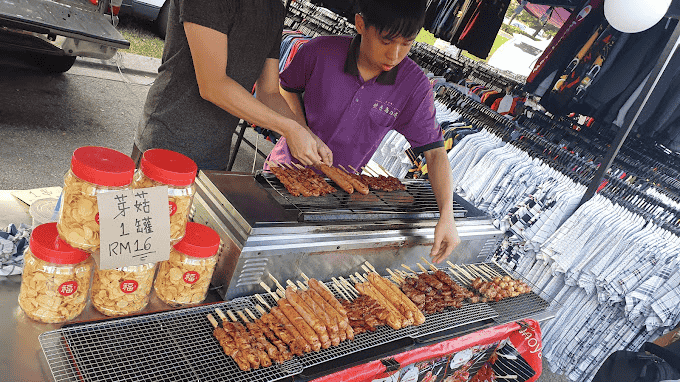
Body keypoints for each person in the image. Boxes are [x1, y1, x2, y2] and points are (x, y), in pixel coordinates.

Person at [266, 0, 461, 263]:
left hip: (340, 195)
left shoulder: (413, 85)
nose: (394, 55)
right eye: (386, 41)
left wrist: (446, 215)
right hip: (285, 171)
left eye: (406, 44)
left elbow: (435, 152)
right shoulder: (320, 51)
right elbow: (286, 88)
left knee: (302, 262)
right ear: (360, 24)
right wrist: (299, 131)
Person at [132, 0, 330, 170]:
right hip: (166, 142)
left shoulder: (274, 9)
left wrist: (306, 134)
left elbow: (269, 93)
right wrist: (289, 129)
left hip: (216, 151)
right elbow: (213, 85)